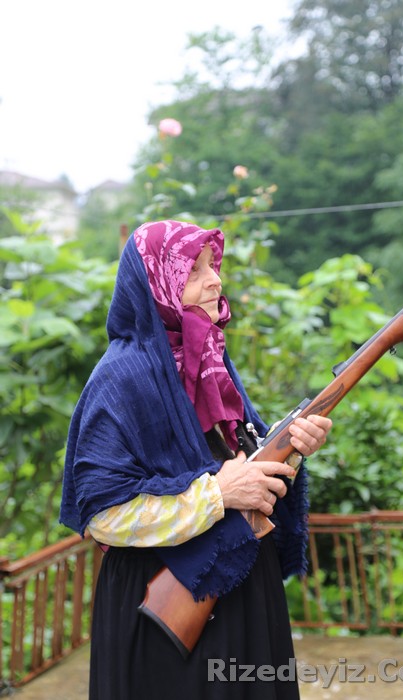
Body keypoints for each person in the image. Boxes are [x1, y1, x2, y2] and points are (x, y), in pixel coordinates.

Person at [59, 220, 332, 700]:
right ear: (157, 285)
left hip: (237, 586)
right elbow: (102, 515)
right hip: (163, 607)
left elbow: (244, 464)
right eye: (194, 271)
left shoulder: (211, 360)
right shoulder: (120, 378)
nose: (215, 280)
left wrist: (290, 449)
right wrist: (218, 494)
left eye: (214, 266)